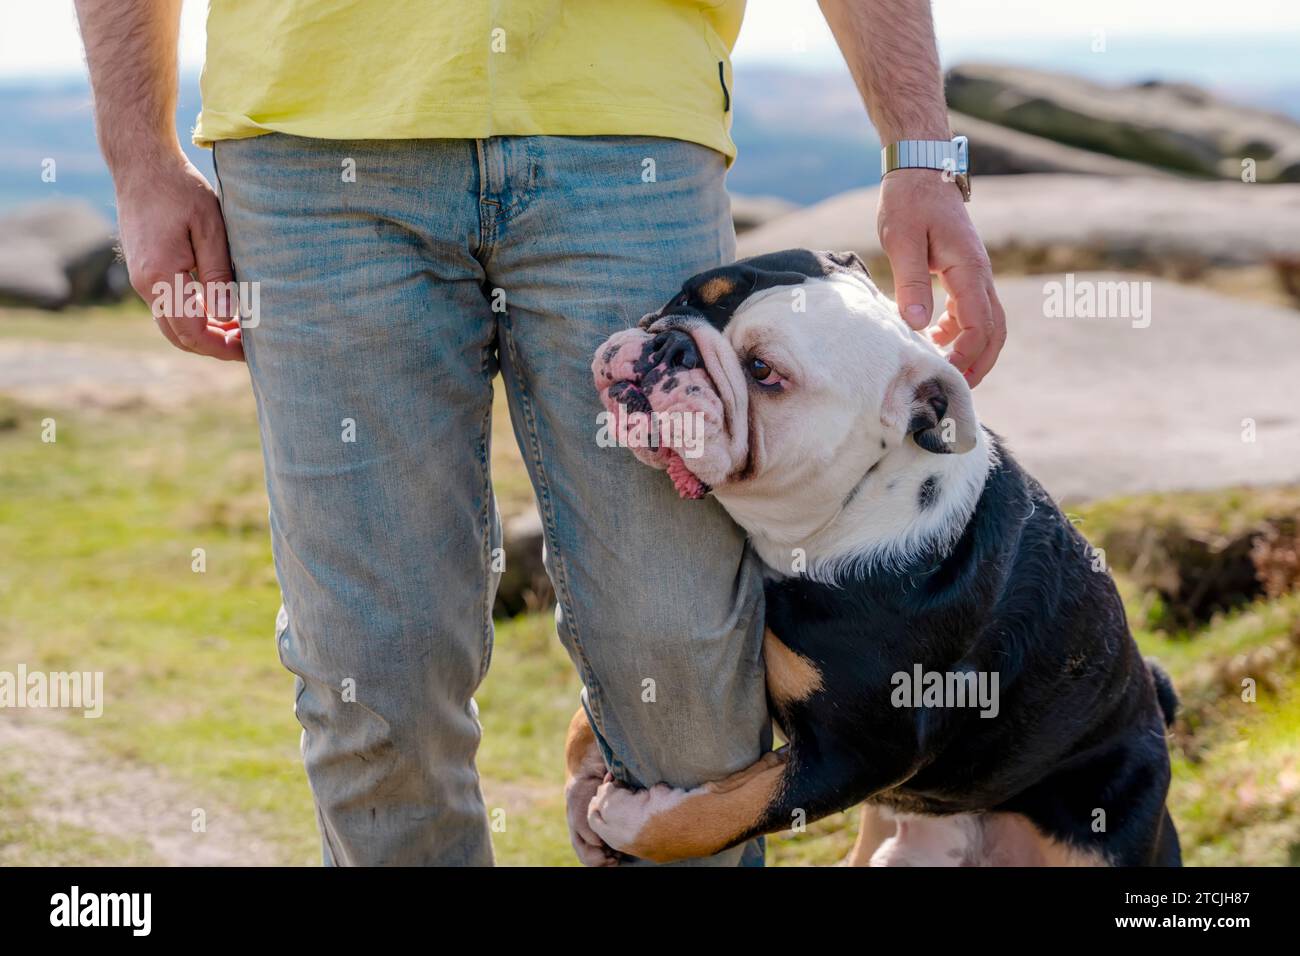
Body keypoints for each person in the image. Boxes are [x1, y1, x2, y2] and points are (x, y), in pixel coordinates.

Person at [74, 0, 1006, 866]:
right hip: (313, 149)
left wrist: (922, 153)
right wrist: (138, 156)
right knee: (375, 672)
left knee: (683, 675)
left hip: (630, 122)